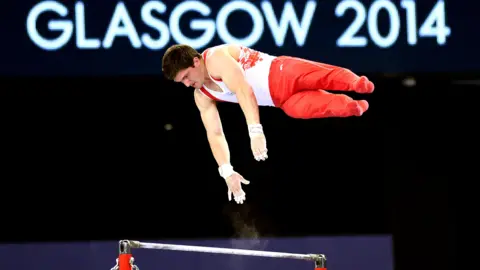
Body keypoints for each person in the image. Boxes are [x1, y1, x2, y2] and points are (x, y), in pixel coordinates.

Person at [162, 44, 374, 204]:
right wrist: (226, 170)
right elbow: (215, 133)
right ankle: (352, 106)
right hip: (280, 102)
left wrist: (255, 130)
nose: (187, 84)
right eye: (182, 82)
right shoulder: (202, 96)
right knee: (320, 107)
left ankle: (356, 83)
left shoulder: (216, 59)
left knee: (323, 76)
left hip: (282, 72)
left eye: (187, 76)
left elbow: (244, 89)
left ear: (196, 62)